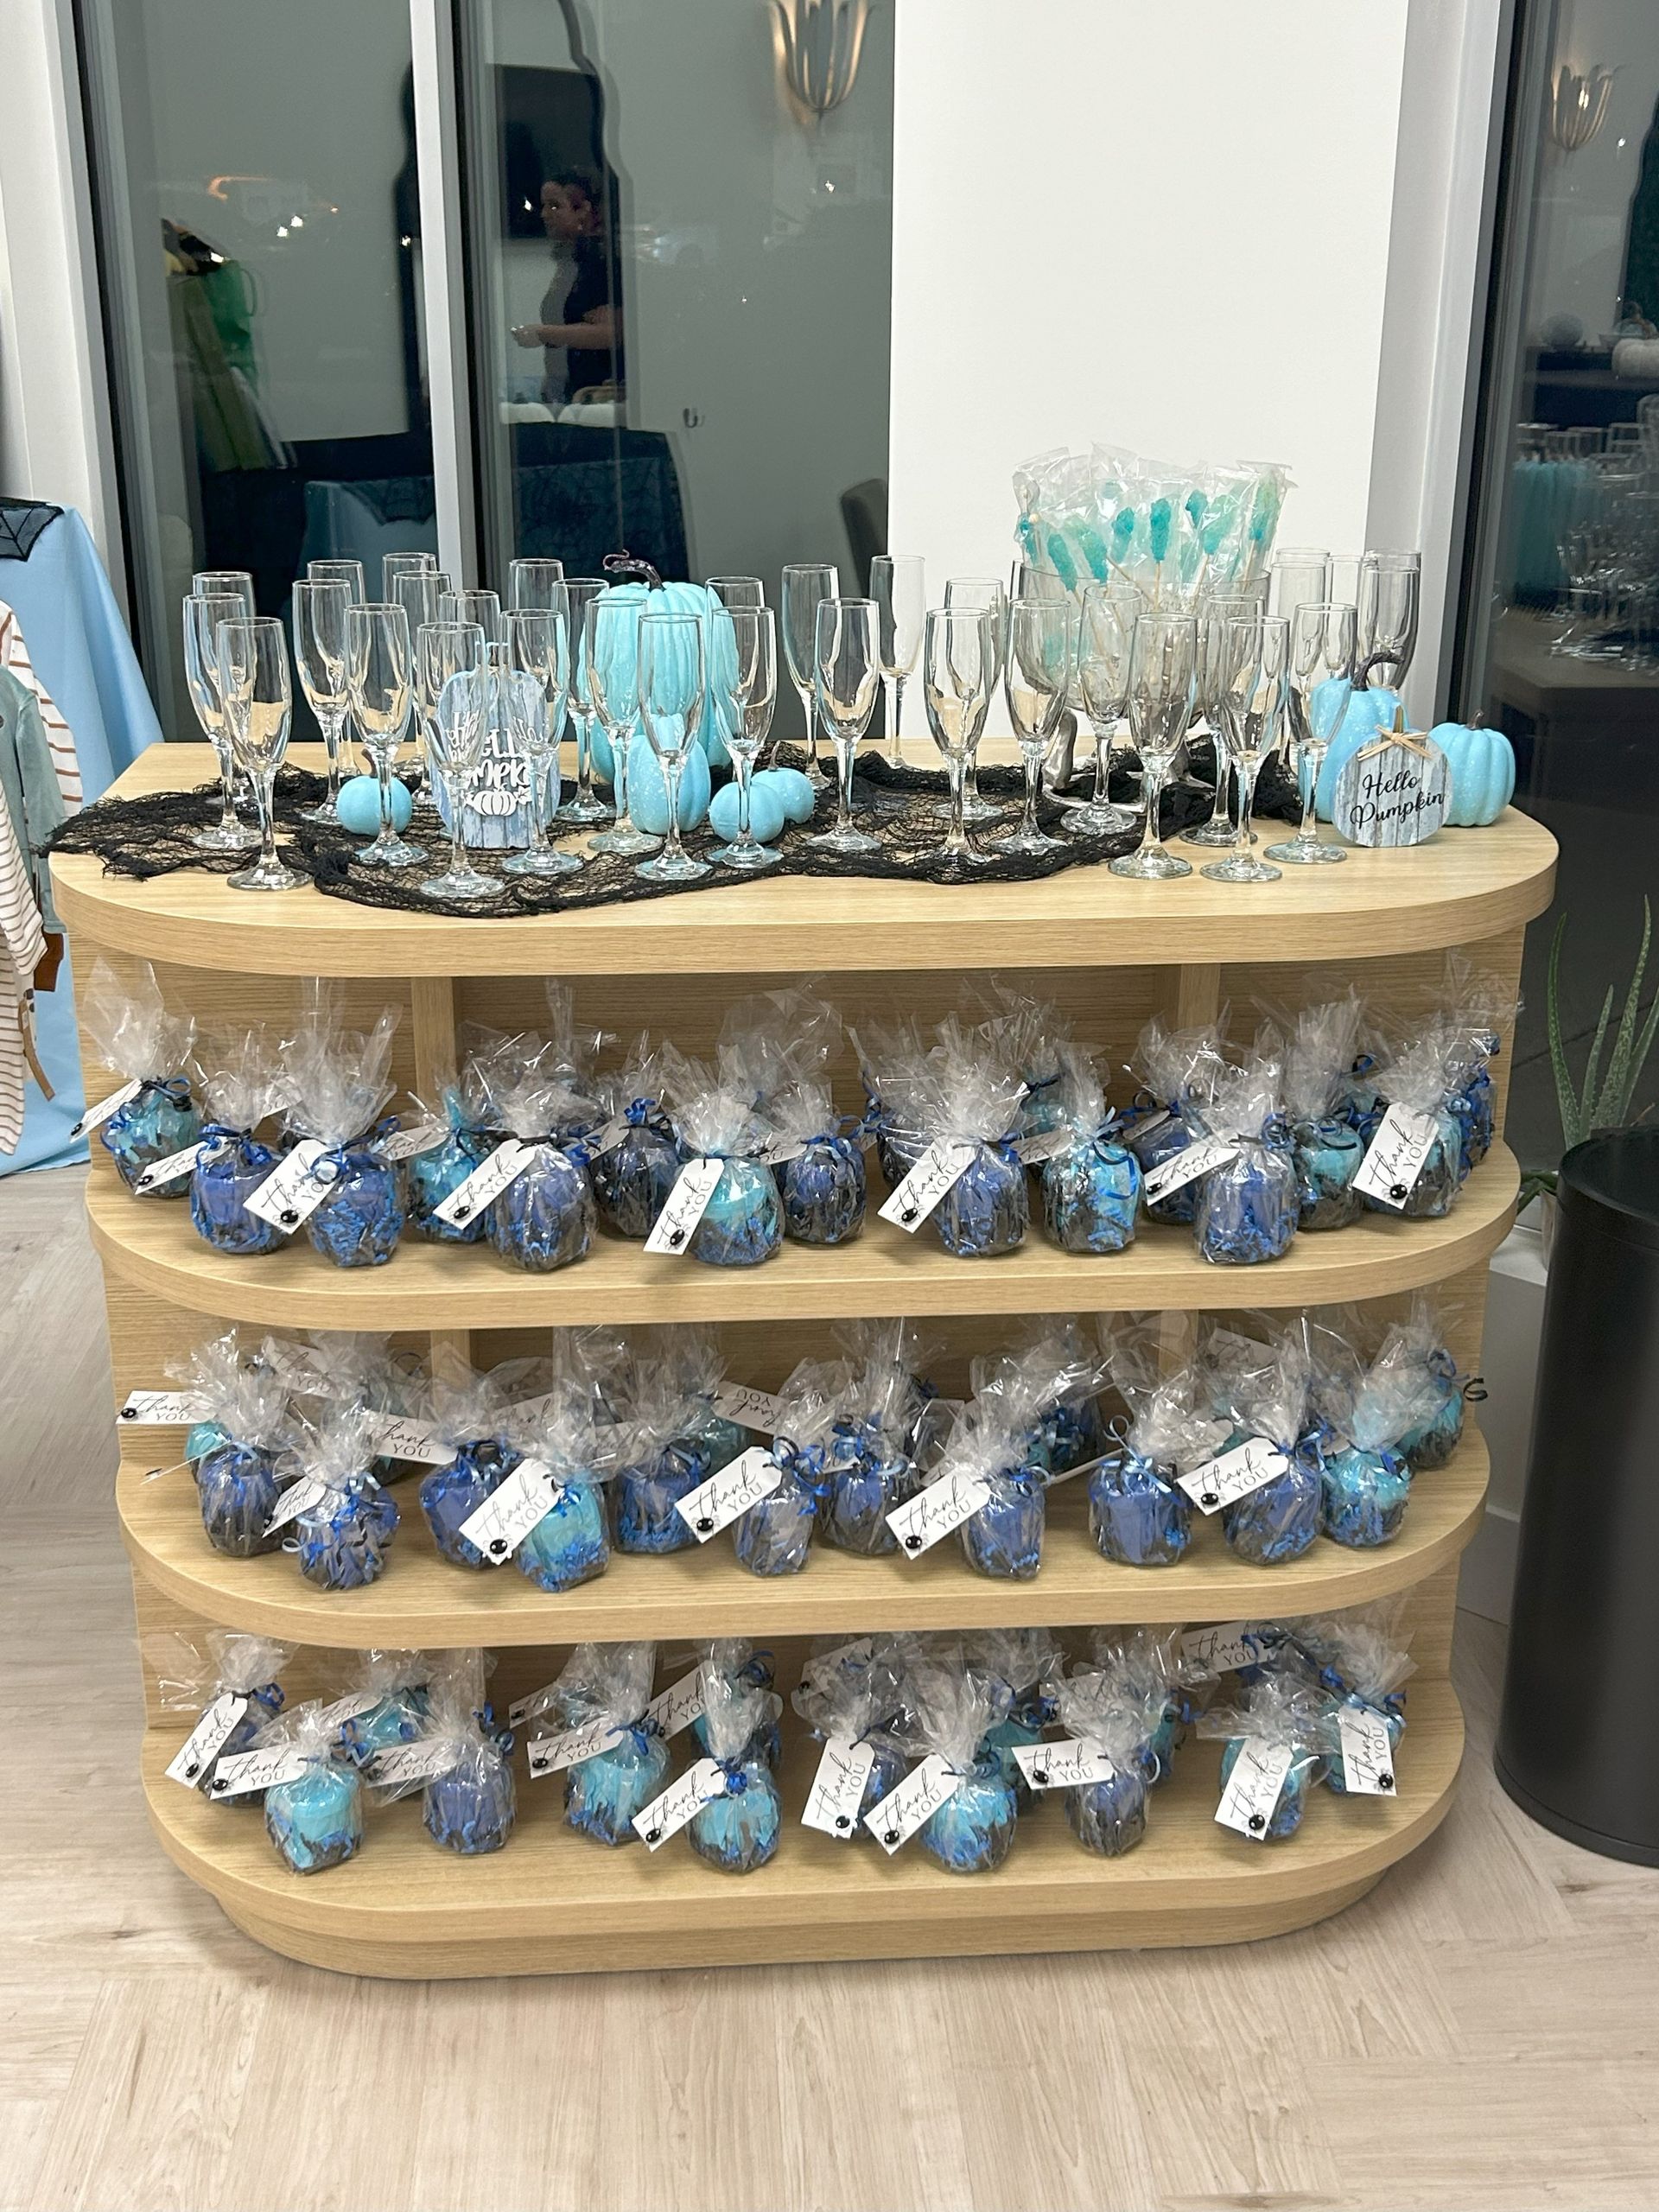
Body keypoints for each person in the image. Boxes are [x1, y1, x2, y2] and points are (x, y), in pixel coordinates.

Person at [512, 170, 621, 405]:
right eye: (544, 206)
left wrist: (544, 334)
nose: (544, 215)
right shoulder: (570, 261)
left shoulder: (602, 264)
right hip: (569, 392)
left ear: (583, 210)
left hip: (598, 395)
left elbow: (613, 331)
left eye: (554, 206)